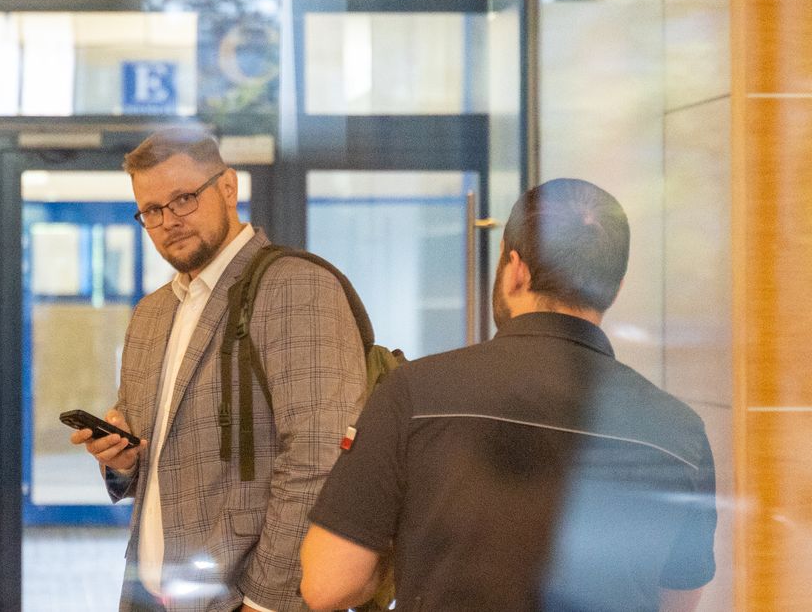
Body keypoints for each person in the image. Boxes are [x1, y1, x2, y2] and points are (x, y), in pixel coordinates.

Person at [300, 179, 717, 612]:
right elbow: (676, 600)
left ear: (516, 269)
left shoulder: (414, 394)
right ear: (616, 286)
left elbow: (329, 584)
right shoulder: (680, 433)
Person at [71, 127, 367, 612]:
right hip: (148, 595)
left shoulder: (296, 287)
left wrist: (266, 603)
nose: (168, 221)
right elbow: (162, 460)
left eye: (184, 198)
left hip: (244, 601)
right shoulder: (151, 314)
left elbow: (318, 457)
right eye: (151, 210)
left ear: (228, 187)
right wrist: (121, 460)